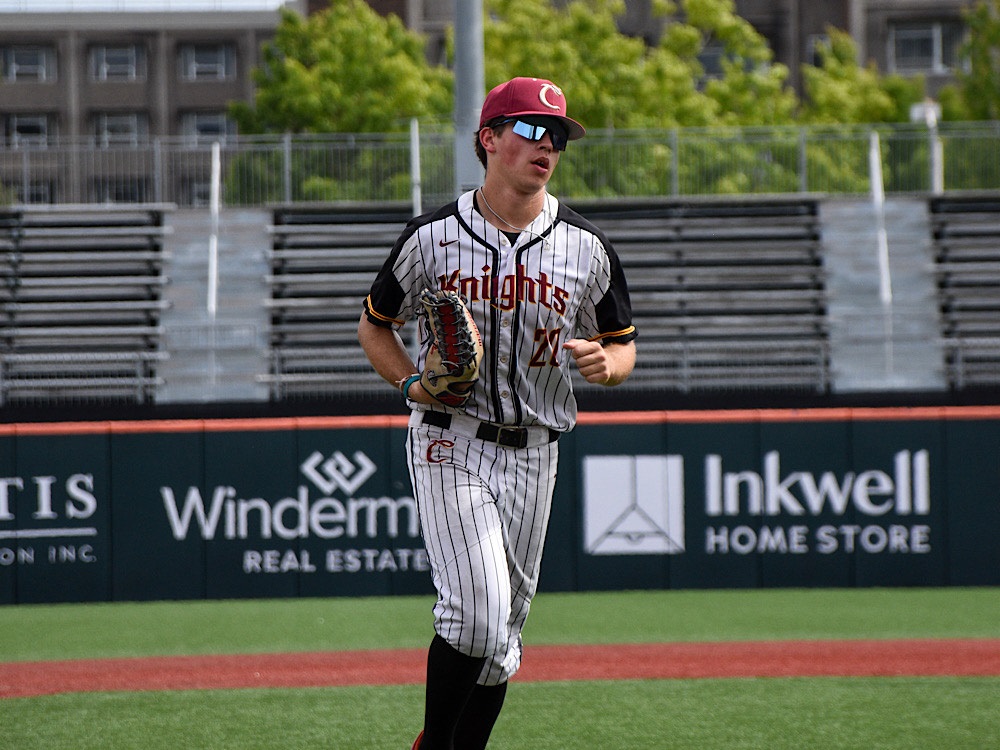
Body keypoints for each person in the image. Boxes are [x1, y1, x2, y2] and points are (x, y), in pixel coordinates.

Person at [358, 76, 637, 750]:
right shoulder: (430, 239)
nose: (548, 146)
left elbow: (622, 346)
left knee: (502, 643)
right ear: (489, 138)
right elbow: (375, 325)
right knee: (475, 620)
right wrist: (410, 386)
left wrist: (609, 367)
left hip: (538, 449)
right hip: (450, 439)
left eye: (558, 137)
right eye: (533, 131)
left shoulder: (585, 247)